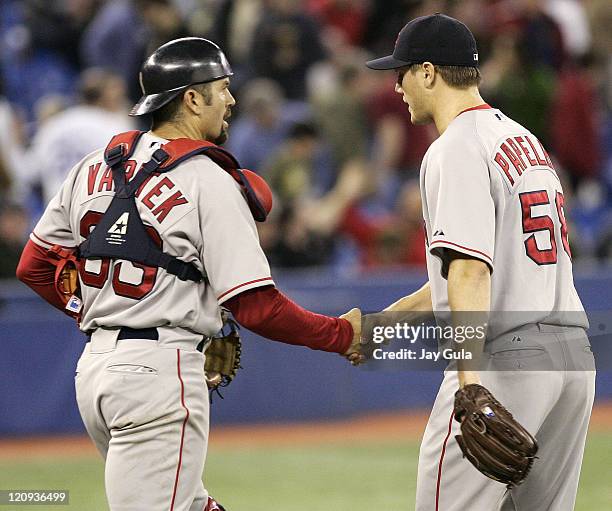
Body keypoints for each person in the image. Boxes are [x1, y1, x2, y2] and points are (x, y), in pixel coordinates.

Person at [16, 37, 361, 511]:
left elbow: (33, 266)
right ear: (193, 98)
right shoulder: (209, 180)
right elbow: (257, 307)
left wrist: (98, 311)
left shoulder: (93, 166)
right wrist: (341, 334)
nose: (231, 99)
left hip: (95, 373)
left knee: (190, 502)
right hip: (158, 376)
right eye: (222, 88)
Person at [363, 13, 595, 511]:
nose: (396, 85)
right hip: (572, 358)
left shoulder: (456, 147)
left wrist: (471, 387)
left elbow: (471, 271)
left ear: (428, 72)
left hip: (506, 359)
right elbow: (466, 272)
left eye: (400, 71)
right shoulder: (522, 138)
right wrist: (381, 329)